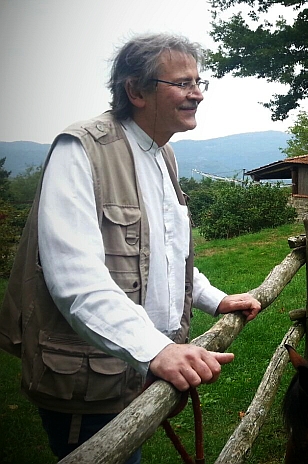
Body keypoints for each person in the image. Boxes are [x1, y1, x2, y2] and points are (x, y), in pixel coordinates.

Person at [0, 33, 262, 463]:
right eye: (182, 83)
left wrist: (214, 300)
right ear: (135, 90)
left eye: (199, 82)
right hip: (88, 377)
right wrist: (156, 350)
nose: (197, 94)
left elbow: (169, 252)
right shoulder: (80, 148)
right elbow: (75, 280)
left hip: (139, 365)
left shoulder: (163, 154)